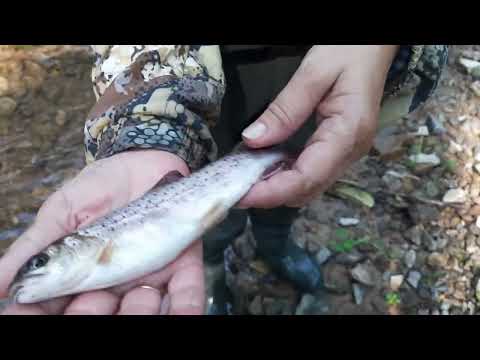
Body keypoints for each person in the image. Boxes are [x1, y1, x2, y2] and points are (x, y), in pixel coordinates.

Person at [0, 45, 448, 315]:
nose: (35, 274)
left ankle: (277, 245)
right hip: (196, 86)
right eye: (39, 265)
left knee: (292, 184)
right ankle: (214, 268)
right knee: (221, 216)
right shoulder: (86, 263)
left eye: (40, 265)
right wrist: (143, 130)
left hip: (340, 76)